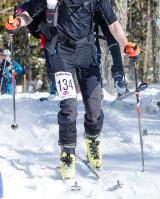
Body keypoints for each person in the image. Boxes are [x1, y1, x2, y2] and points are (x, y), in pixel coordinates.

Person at [5, 0, 141, 179]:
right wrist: (17, 22)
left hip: (87, 52)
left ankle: (92, 139)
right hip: (61, 52)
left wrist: (126, 44)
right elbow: (29, 13)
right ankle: (67, 151)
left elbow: (113, 23)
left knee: (94, 107)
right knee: (69, 106)